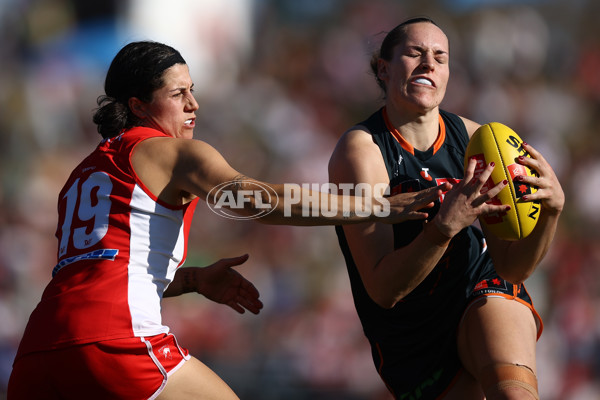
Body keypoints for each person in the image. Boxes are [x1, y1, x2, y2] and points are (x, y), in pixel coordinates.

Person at [7, 41, 447, 400]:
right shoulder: (172, 152)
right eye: (178, 94)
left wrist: (193, 280)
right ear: (139, 105)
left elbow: (104, 270)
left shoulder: (81, 173)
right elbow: (257, 201)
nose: (194, 104)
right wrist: (374, 205)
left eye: (192, 90)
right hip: (113, 342)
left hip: (36, 354)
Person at [329, 17, 564, 400]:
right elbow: (384, 289)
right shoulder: (362, 150)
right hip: (410, 328)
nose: (428, 64)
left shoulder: (478, 139)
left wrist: (552, 212)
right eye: (415, 53)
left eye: (440, 57)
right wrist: (442, 227)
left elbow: (512, 268)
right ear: (384, 69)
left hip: (480, 286)